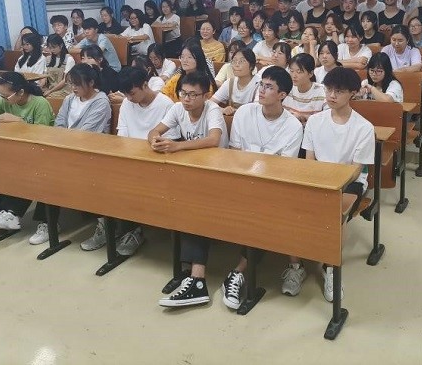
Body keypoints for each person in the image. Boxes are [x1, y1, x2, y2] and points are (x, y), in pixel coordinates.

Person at [221, 66, 304, 308]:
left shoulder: (292, 126)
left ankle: (243, 270)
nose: (262, 90)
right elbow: (235, 153)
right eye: (261, 85)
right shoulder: (245, 113)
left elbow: (283, 169)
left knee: (268, 210)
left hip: (274, 186)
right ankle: (240, 270)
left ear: (282, 95)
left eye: (269, 87)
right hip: (242, 180)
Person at [79, 67, 178, 254]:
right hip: (130, 158)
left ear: (145, 85)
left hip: (155, 161)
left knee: (128, 184)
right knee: (96, 177)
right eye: (126, 94)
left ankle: (132, 231)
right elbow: (122, 135)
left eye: (132, 93)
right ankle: (108, 226)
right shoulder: (127, 103)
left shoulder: (166, 104)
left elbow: (168, 141)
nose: (129, 98)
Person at [151, 71, 229, 308]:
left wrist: (177, 146)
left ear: (206, 95)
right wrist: (155, 140)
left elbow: (214, 139)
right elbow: (155, 131)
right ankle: (190, 274)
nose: (187, 99)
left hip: (219, 175)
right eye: (183, 93)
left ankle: (197, 279)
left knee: (194, 208)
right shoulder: (177, 108)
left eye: (193, 95)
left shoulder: (212, 110)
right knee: (177, 201)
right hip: (192, 175)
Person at [301, 67, 375, 300]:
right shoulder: (315, 121)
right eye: (329, 89)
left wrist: (333, 186)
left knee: (336, 213)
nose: (332, 95)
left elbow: (356, 169)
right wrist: (319, 182)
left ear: (352, 93)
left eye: (339, 91)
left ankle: (332, 267)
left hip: (349, 181)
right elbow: (309, 160)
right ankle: (295, 262)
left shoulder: (364, 127)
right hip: (318, 178)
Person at [29, 63, 112, 245]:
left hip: (90, 154)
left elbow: (87, 133)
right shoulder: (69, 99)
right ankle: (48, 223)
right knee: (43, 170)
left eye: (77, 84)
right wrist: (62, 141)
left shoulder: (101, 102)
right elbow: (59, 123)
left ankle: (103, 225)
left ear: (91, 83)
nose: (73, 88)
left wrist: (63, 140)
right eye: (71, 84)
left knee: (55, 172)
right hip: (66, 150)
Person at [0, 73, 54, 239]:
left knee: (5, 175)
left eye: (6, 95)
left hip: (38, 155)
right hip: (14, 153)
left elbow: (42, 136)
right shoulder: (5, 101)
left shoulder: (39, 103)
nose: (3, 99)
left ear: (20, 92)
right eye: (1, 95)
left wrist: (18, 121)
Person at [211, 48, 257, 115]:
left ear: (251, 66)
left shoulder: (259, 84)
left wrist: (234, 111)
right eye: (234, 61)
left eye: (241, 61)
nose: (236, 64)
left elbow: (258, 110)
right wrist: (223, 110)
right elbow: (210, 104)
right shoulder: (230, 83)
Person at [283, 53, 326, 125]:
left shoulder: (322, 91)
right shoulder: (287, 89)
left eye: (299, 72)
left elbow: (328, 118)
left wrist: (302, 117)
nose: (294, 76)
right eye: (291, 71)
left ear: (310, 73)